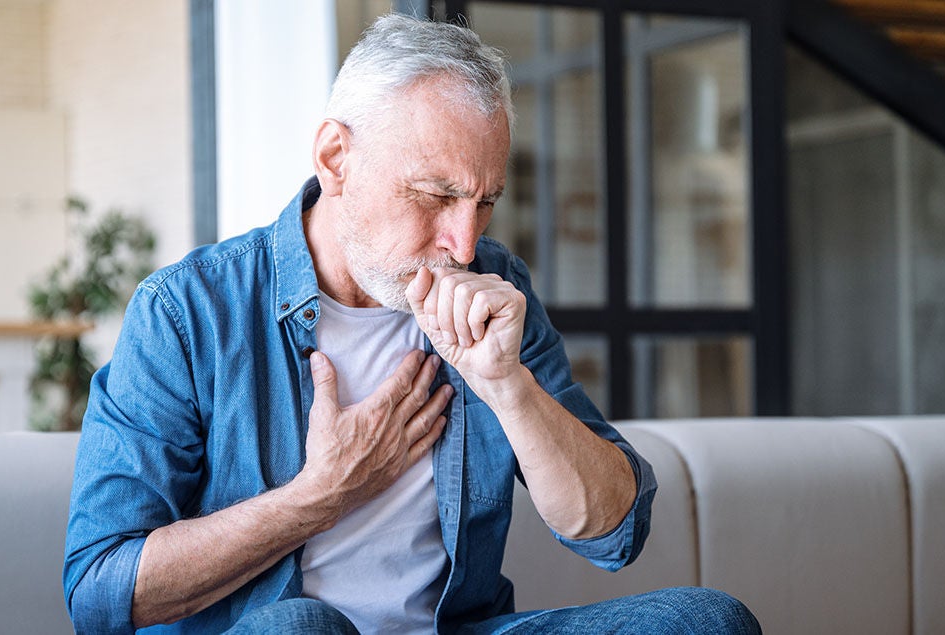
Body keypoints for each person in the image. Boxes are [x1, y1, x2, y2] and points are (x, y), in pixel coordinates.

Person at [64, 13, 761, 635]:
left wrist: (508, 387)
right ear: (336, 158)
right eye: (436, 195)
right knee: (300, 628)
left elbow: (615, 529)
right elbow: (100, 591)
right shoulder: (187, 311)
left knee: (708, 620)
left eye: (484, 202)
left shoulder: (496, 286)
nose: (462, 242)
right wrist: (317, 496)